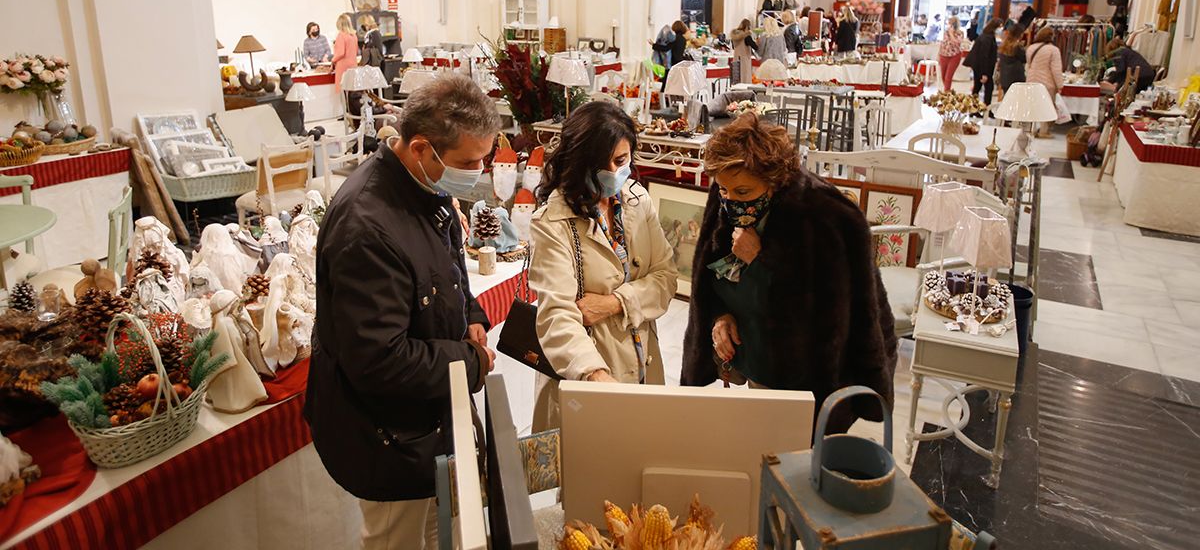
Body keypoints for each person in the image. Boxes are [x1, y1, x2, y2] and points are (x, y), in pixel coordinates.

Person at [306, 75, 499, 549]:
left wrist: (469, 312)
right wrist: (470, 361)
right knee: (401, 540)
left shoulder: (422, 187)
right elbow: (379, 360)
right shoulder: (367, 226)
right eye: (469, 162)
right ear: (420, 149)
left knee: (439, 533)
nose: (480, 171)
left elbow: (444, 266)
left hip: (426, 423)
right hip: (388, 438)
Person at [680, 113, 897, 435]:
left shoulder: (827, 217)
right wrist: (720, 317)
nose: (729, 200)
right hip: (754, 357)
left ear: (775, 180)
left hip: (805, 375)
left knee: (795, 457)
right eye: (723, 190)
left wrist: (763, 259)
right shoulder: (726, 192)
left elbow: (834, 313)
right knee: (760, 441)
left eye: (742, 192)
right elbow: (708, 279)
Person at [530, 100, 677, 430]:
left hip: (642, 366)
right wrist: (595, 374)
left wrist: (615, 303)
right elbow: (557, 315)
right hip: (586, 380)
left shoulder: (638, 201)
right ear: (579, 162)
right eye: (604, 163)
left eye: (622, 160)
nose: (615, 172)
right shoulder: (553, 223)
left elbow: (666, 278)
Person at [1024, 26, 1064, 136]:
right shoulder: (1053, 50)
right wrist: (1060, 85)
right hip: (1047, 82)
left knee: (1032, 105)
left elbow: (1028, 65)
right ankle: (1043, 131)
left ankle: (1030, 128)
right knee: (1046, 107)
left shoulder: (1031, 47)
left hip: (1031, 79)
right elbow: (1056, 69)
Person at [964, 18, 1001, 105]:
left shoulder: (986, 35)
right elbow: (985, 56)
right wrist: (984, 73)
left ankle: (975, 108)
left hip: (979, 66)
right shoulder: (987, 38)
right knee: (987, 87)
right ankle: (984, 107)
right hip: (982, 67)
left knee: (977, 87)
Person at [331, 13, 359, 93]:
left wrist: (333, 60)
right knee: (352, 91)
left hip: (343, 66)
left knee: (343, 92)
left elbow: (340, 53)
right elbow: (356, 51)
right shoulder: (354, 36)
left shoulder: (341, 35)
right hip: (353, 65)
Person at [996, 25, 1027, 96]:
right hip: (1016, 78)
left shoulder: (1004, 45)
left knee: (1007, 98)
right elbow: (1024, 59)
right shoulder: (1017, 47)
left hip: (1004, 77)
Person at [937, 17, 965, 92]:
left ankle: (946, 94)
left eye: (952, 24)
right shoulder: (945, 32)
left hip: (954, 56)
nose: (949, 25)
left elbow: (956, 43)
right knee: (943, 76)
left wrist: (951, 33)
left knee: (948, 77)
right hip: (943, 55)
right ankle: (947, 91)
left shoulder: (960, 33)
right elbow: (942, 43)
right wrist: (938, 55)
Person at [730, 18, 757, 85]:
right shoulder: (747, 37)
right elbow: (755, 47)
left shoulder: (734, 36)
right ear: (747, 27)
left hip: (736, 59)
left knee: (737, 80)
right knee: (745, 81)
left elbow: (733, 47)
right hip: (744, 61)